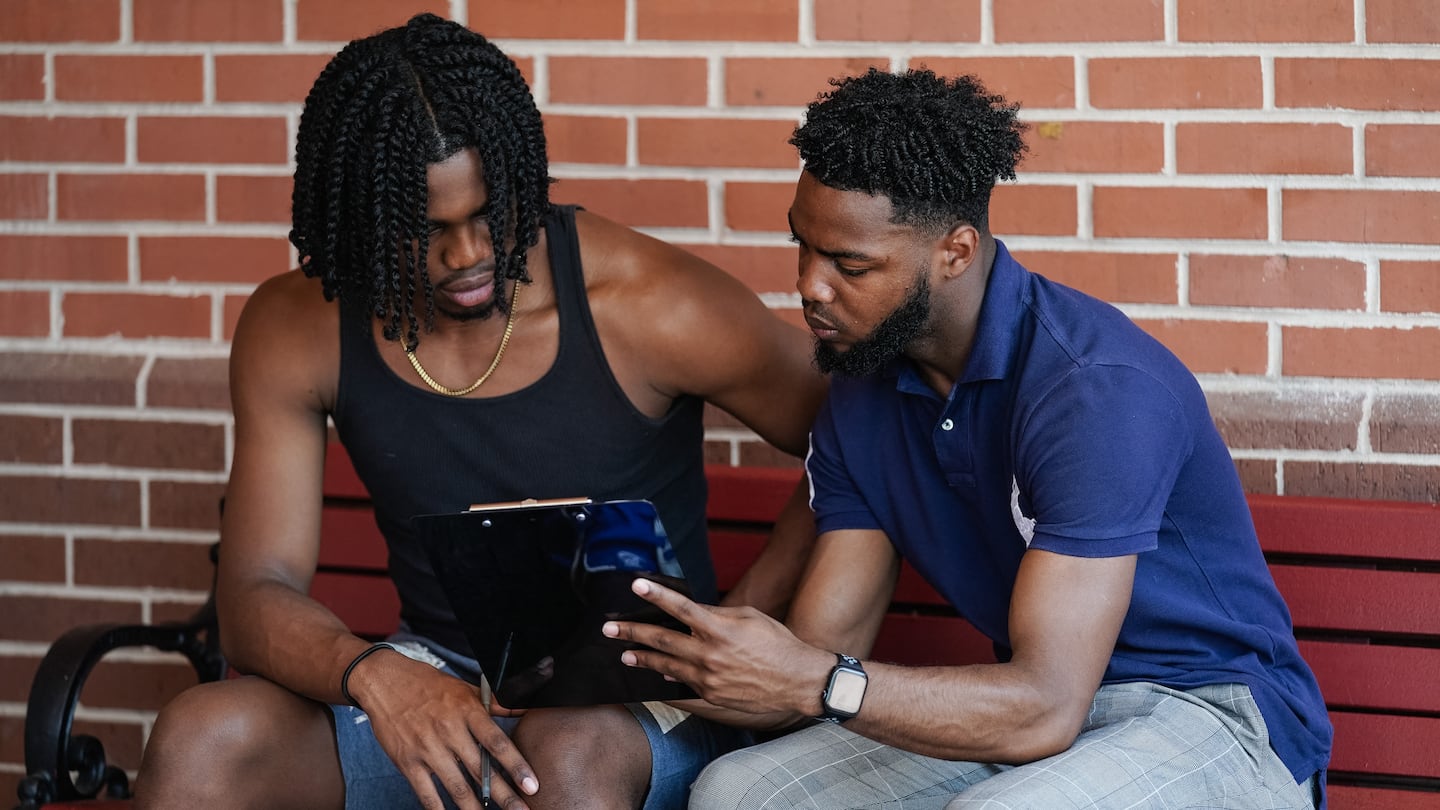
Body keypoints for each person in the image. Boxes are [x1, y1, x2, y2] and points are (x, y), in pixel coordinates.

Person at [132, 14, 826, 810]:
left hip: (642, 704)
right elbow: (255, 587)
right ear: (364, 223)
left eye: (491, 215)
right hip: (440, 679)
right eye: (424, 232)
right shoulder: (298, 329)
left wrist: (749, 608)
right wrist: (378, 675)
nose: (468, 257)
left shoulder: (647, 301)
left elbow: (860, 432)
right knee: (200, 742)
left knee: (563, 751)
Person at [604, 68, 1333, 809]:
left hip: (1212, 717)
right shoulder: (862, 391)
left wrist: (814, 678)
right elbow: (812, 658)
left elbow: (1042, 703)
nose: (810, 286)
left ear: (955, 251)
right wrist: (634, 660)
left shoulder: (1092, 388)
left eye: (850, 264)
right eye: (805, 247)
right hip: (1042, 723)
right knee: (743, 793)